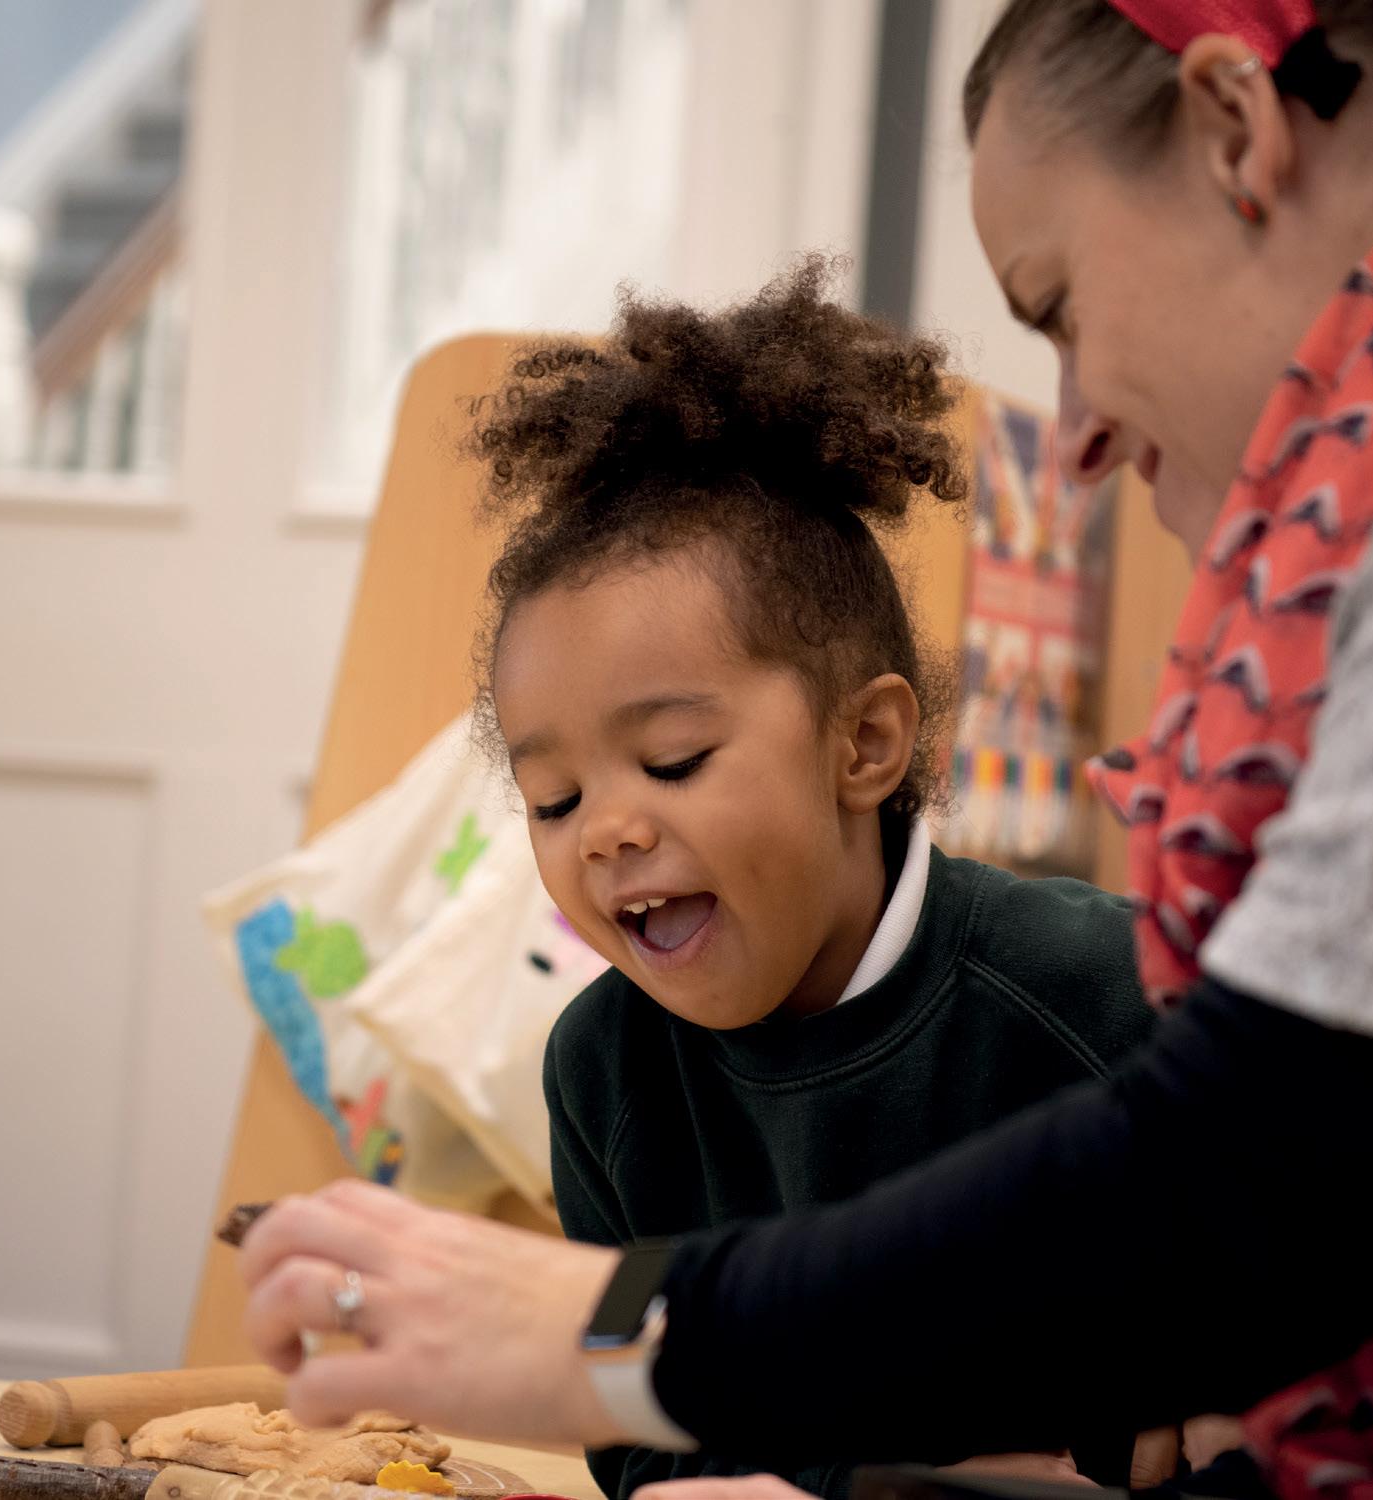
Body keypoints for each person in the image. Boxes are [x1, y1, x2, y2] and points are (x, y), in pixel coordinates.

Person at [238, 2, 1373, 1497]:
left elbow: (1266, 1177)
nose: (1070, 429)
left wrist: (605, 1333)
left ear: (1234, 126)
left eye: (1057, 306)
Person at [479, 263, 1156, 1496]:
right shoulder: (600, 1073)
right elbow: (631, 1425)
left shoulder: (1097, 993)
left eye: (672, 761)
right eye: (553, 800)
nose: (604, 834)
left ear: (863, 744)